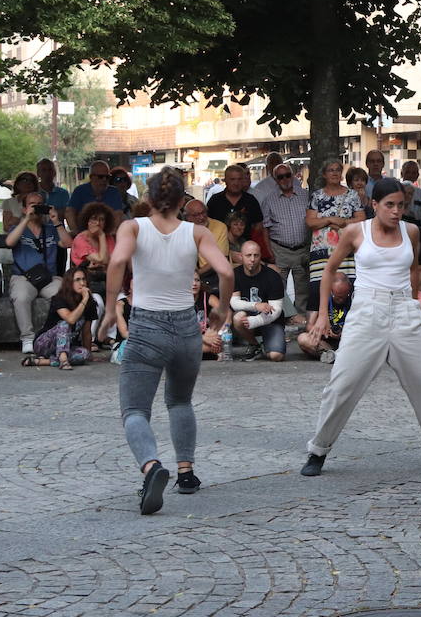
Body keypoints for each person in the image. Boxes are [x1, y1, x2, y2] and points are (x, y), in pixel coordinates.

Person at [301, 178, 421, 477]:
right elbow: (329, 269)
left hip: (403, 312)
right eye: (389, 205)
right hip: (366, 311)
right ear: (374, 205)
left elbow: (412, 269)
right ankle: (318, 450)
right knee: (342, 385)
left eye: (401, 205)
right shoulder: (355, 231)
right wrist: (322, 314)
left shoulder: (411, 231)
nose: (396, 211)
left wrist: (414, 303)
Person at [101, 168, 233, 514]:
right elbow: (227, 271)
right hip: (187, 327)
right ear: (182, 201)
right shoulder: (196, 232)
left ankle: (151, 466)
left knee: (134, 409)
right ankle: (186, 472)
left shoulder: (134, 227)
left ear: (147, 198)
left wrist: (111, 311)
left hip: (146, 327)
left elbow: (116, 261)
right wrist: (221, 313)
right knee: (179, 401)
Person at [6, 191, 72, 353]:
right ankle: (27, 338)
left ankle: (59, 335)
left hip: (48, 277)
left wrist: (56, 221)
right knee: (20, 297)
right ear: (24, 209)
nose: (36, 208)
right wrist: (27, 219)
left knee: (63, 294)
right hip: (23, 277)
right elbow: (9, 242)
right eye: (32, 205)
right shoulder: (18, 228)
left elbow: (68, 243)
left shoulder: (50, 229)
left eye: (39, 204)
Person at [306, 159, 365, 316]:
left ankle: (349, 323)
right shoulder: (316, 196)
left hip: (345, 251)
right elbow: (310, 222)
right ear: (324, 174)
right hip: (321, 253)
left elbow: (361, 219)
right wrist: (330, 219)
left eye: (337, 170)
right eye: (330, 170)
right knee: (319, 289)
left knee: (347, 288)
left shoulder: (352, 195)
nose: (334, 173)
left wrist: (344, 222)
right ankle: (319, 325)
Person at [259, 162, 311, 323]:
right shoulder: (269, 200)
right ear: (275, 179)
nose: (284, 179)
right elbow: (265, 229)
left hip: (302, 249)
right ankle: (282, 318)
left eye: (287, 175)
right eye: (280, 177)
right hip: (280, 249)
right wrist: (270, 253)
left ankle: (301, 319)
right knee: (278, 286)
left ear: (293, 175)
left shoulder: (305, 195)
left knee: (302, 287)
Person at [22, 267, 96, 369]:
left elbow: (86, 332)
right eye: (78, 280)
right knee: (65, 324)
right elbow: (70, 319)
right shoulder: (59, 298)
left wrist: (90, 355)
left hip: (68, 345)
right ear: (69, 283)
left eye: (84, 279)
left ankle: (43, 361)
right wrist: (85, 299)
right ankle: (63, 360)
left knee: (85, 354)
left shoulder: (89, 303)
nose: (82, 283)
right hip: (44, 343)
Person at [230, 240, 287, 361]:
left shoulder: (273, 276)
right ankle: (255, 345)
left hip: (271, 319)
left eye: (256, 255)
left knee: (276, 356)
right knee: (237, 317)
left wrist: (255, 320)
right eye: (248, 255)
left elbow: (276, 310)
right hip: (248, 316)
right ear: (241, 256)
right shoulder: (235, 274)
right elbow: (234, 303)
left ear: (260, 256)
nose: (252, 259)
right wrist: (256, 305)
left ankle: (269, 343)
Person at [297, 273, 353, 362]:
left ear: (349, 289)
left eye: (344, 296)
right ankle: (332, 354)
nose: (341, 300)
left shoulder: (355, 295)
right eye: (337, 297)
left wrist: (344, 333)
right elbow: (309, 326)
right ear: (330, 290)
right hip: (327, 340)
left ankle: (337, 356)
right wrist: (326, 331)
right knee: (303, 339)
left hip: (349, 338)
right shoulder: (317, 293)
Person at [70, 202, 116, 295]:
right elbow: (102, 259)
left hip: (107, 279)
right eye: (94, 219)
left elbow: (109, 261)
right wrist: (101, 235)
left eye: (102, 219)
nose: (98, 223)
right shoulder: (80, 239)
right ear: (87, 220)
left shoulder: (109, 238)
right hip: (86, 283)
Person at [67, 161, 125, 232]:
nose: (104, 180)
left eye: (107, 177)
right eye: (100, 177)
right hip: (84, 235)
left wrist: (110, 236)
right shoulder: (80, 191)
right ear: (91, 177)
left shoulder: (114, 192)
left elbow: (118, 215)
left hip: (108, 235)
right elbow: (69, 212)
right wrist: (76, 233)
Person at [205, 164, 264, 229]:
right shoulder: (215, 201)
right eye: (232, 179)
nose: (236, 183)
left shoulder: (251, 200)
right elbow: (206, 222)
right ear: (225, 180)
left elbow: (258, 224)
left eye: (239, 179)